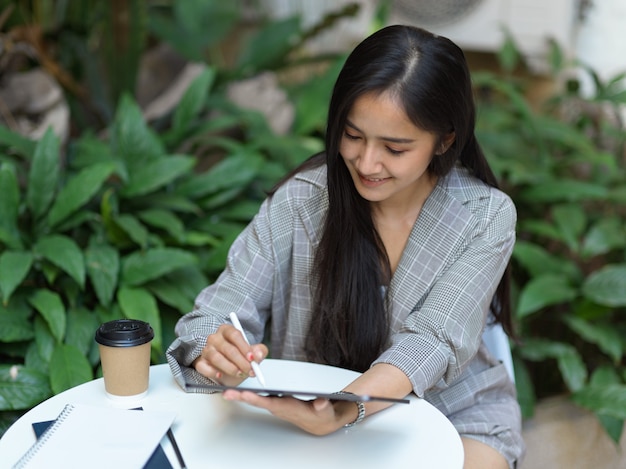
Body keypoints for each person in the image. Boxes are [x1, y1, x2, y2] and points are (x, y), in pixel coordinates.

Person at [167, 24, 524, 469]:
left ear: (445, 140)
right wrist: (217, 350)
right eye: (353, 136)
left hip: (450, 410)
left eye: (394, 148)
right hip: (308, 420)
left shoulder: (484, 216)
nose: (367, 163)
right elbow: (216, 314)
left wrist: (344, 407)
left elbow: (432, 342)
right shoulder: (300, 201)